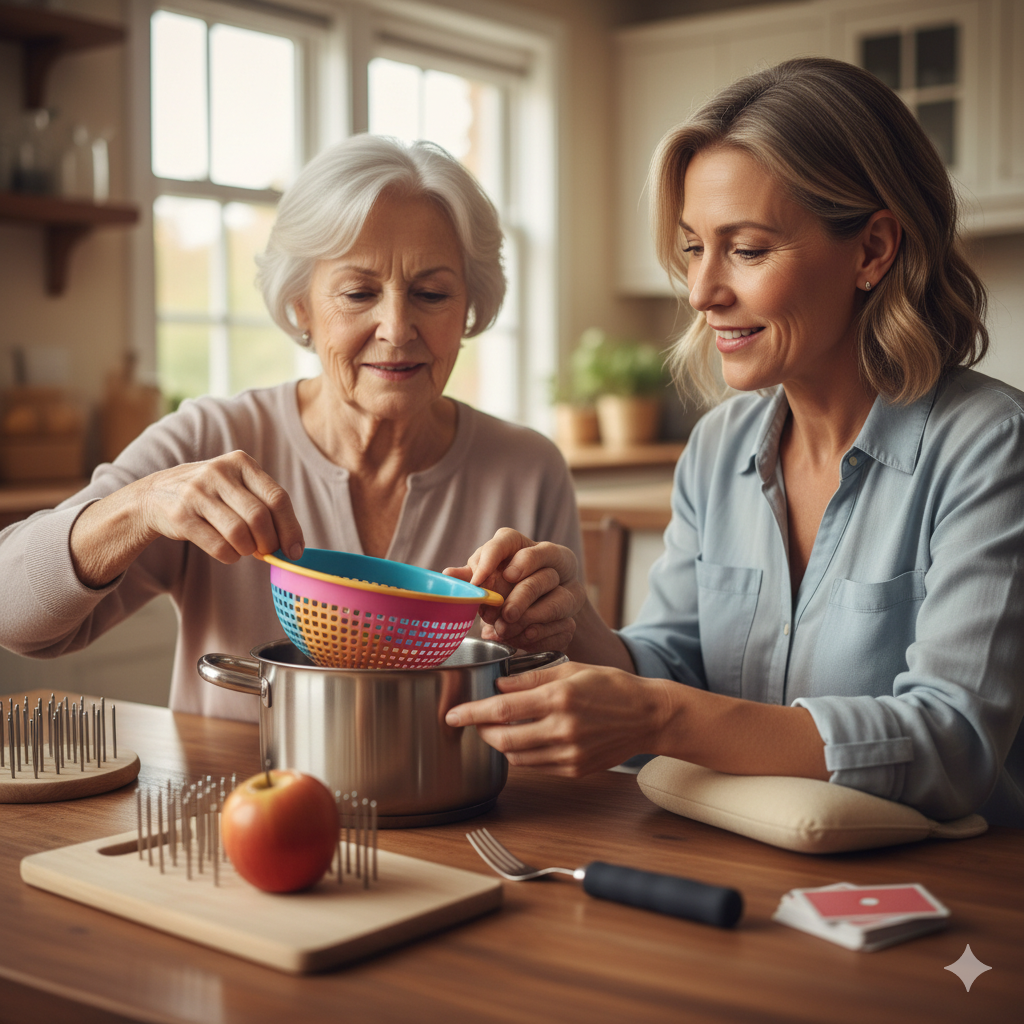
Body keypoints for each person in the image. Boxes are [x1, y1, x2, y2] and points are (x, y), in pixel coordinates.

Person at [442, 57, 1024, 827]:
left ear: (873, 250)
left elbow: (952, 744)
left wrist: (663, 719)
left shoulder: (991, 447)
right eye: (693, 247)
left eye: (746, 250)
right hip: (733, 868)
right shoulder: (719, 447)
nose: (701, 291)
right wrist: (567, 621)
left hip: (958, 904)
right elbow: (671, 667)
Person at [0, 135, 581, 720]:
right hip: (231, 803)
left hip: (455, 805)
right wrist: (139, 506)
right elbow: (12, 618)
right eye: (358, 292)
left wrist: (564, 629)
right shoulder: (210, 438)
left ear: (469, 308)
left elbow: (586, 704)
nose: (397, 327)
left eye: (431, 293)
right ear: (301, 305)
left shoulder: (528, 468)